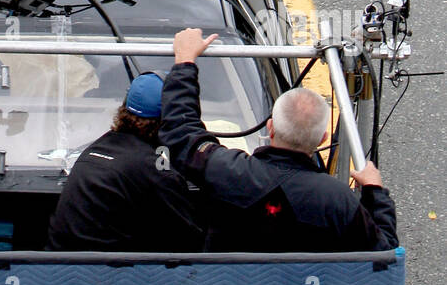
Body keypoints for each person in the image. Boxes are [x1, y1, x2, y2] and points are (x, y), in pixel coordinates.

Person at [159, 28, 399, 252]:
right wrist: (374, 191)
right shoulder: (336, 199)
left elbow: (180, 133)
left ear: (270, 127)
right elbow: (384, 253)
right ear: (322, 139)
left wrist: (185, 62)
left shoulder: (228, 171)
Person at [46, 72, 205, 252]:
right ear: (168, 120)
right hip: (109, 275)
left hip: (59, 269)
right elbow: (188, 241)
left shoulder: (96, 149)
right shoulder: (155, 171)